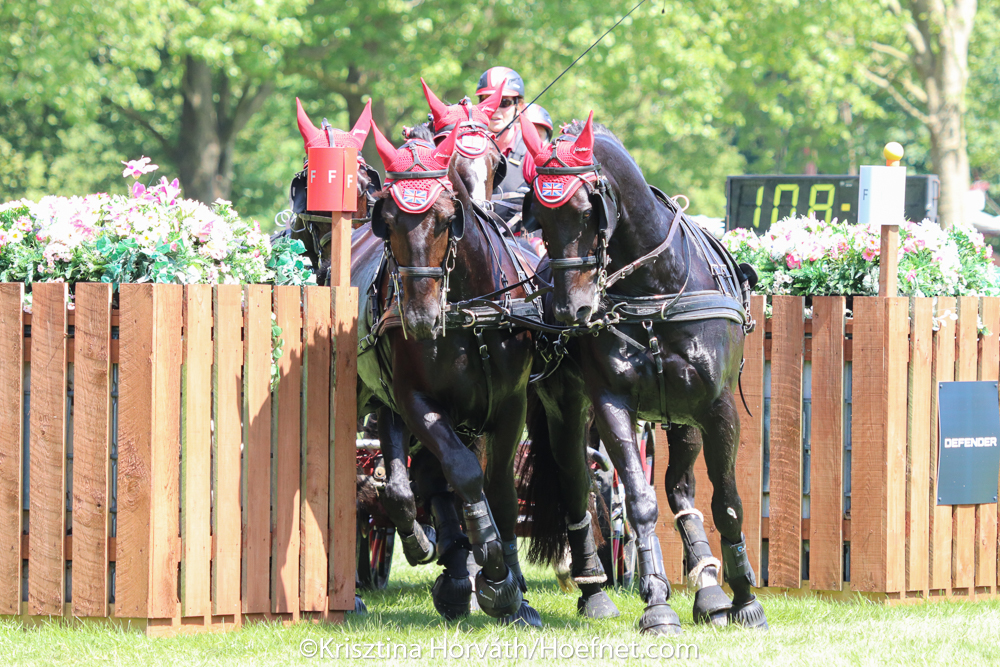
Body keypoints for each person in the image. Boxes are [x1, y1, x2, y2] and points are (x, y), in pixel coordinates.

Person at [476, 66, 531, 228]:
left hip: (519, 242)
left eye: (504, 102)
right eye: (487, 101)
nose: (494, 110)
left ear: (519, 107)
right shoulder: (467, 150)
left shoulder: (531, 153)